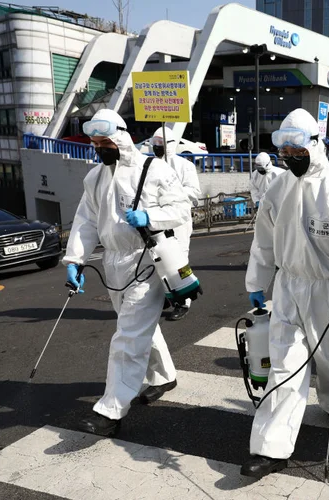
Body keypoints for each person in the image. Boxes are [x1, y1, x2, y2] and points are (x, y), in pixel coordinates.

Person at [242, 108, 329, 479]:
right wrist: (257, 282)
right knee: (284, 363)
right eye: (285, 152)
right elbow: (263, 242)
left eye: (298, 151)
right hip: (288, 288)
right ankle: (270, 446)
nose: (291, 158)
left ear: (317, 146)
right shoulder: (278, 188)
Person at [65, 109, 191, 436]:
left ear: (122, 137)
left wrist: (149, 216)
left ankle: (111, 409)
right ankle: (164, 376)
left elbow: (180, 209)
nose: (99, 148)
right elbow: (86, 222)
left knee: (128, 335)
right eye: (94, 143)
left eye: (105, 141)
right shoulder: (94, 177)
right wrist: (76, 261)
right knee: (133, 325)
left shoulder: (154, 169)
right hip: (114, 263)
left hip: (146, 260)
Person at [151, 126, 202, 321]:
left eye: (161, 143)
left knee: (179, 259)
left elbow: (193, 193)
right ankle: (168, 294)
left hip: (179, 221)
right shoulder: (150, 166)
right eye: (154, 143)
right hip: (157, 221)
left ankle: (185, 300)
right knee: (159, 260)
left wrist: (171, 198)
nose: (157, 147)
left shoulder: (184, 166)